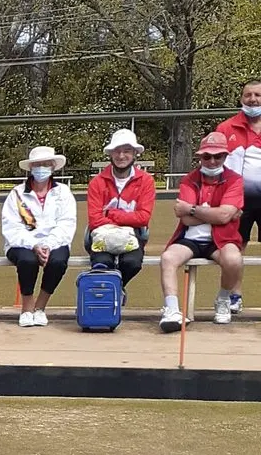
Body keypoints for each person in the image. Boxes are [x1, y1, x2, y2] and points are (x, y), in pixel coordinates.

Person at [158, 132, 245, 331]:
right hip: (190, 238)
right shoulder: (189, 180)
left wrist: (194, 209)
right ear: (200, 157)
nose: (212, 161)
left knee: (234, 260)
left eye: (218, 156)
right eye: (207, 156)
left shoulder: (234, 180)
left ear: (225, 156)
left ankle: (223, 299)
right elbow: (187, 218)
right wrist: (221, 213)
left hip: (222, 239)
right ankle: (172, 310)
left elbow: (219, 215)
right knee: (168, 258)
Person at [1, 146, 76, 327]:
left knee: (58, 261)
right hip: (21, 243)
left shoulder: (63, 192)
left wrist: (48, 244)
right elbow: (11, 227)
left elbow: (66, 223)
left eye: (45, 164)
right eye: (37, 165)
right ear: (30, 167)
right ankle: (27, 308)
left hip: (55, 242)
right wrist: (34, 244)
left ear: (52, 166)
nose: (41, 168)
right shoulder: (17, 193)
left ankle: (40, 307)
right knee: (28, 260)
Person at [84, 129, 156, 288]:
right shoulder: (97, 182)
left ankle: (116, 289)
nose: (121, 156)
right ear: (110, 154)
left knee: (132, 263)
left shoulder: (146, 181)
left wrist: (111, 214)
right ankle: (112, 294)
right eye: (117, 151)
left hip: (134, 234)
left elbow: (143, 217)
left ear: (135, 153)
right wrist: (128, 218)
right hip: (101, 233)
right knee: (102, 263)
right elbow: (95, 220)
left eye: (127, 151)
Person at [215, 78, 261, 314]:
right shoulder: (226, 128)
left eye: (257, 95)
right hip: (237, 201)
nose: (252, 99)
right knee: (235, 248)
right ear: (241, 98)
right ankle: (234, 296)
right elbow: (214, 164)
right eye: (248, 95)